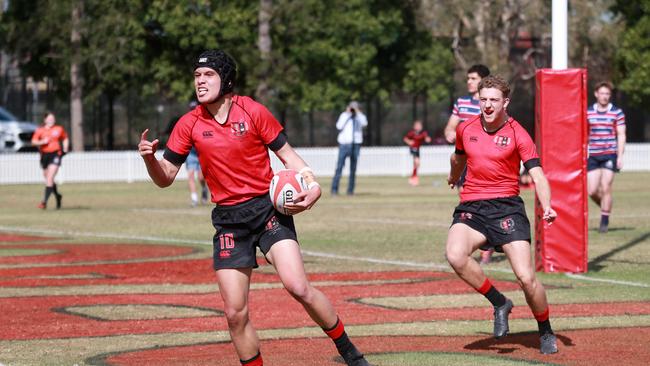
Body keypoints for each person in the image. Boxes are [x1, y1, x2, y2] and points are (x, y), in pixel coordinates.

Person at [138, 50, 370, 366]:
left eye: (208, 75)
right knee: (235, 313)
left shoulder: (253, 111)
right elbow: (165, 178)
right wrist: (150, 159)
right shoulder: (188, 123)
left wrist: (312, 184)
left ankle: (349, 352)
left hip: (267, 211)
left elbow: (288, 156)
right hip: (229, 221)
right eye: (197, 76)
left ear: (227, 79)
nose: (200, 82)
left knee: (298, 286)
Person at [445, 75, 558, 355]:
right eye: (483, 99)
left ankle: (545, 329)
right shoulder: (466, 128)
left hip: (507, 206)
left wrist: (547, 205)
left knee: (526, 278)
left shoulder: (518, 133)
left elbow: (538, 174)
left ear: (505, 102)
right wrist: (453, 176)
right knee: (455, 255)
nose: (487, 105)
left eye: (494, 100)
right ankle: (499, 302)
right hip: (473, 205)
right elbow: (458, 156)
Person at [443, 64, 494, 265]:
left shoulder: (490, 104)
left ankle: (486, 245)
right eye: (468, 78)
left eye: (473, 78)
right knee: (467, 202)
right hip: (465, 162)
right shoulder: (462, 102)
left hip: (486, 163)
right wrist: (449, 133)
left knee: (484, 203)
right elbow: (451, 126)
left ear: (483, 81)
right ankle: (476, 245)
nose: (469, 82)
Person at [587, 81, 626, 233]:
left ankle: (604, 221)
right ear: (596, 94)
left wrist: (620, 156)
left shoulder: (617, 112)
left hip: (610, 154)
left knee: (606, 186)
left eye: (607, 94)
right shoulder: (588, 112)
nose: (604, 96)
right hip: (594, 155)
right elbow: (584, 133)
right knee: (591, 190)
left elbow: (621, 134)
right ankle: (606, 205)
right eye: (602, 93)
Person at [31, 112, 69, 210]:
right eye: (49, 118)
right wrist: (42, 142)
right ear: (45, 120)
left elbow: (65, 138)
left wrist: (65, 148)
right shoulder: (40, 130)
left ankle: (44, 202)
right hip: (44, 156)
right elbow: (33, 142)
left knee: (49, 177)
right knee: (49, 179)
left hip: (56, 154)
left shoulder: (59, 129)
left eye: (53, 118)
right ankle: (57, 196)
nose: (51, 120)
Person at [331, 101, 367, 196]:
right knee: (339, 167)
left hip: (356, 144)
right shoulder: (344, 115)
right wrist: (347, 114)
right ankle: (334, 189)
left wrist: (358, 112)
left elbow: (364, 123)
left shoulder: (360, 116)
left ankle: (350, 191)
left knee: (353, 169)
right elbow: (339, 126)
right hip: (344, 144)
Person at [403, 119, 431, 186]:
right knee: (417, 162)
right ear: (414, 126)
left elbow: (427, 138)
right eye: (417, 125)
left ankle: (413, 177)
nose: (419, 127)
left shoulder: (423, 133)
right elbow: (405, 138)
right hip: (413, 148)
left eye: (420, 125)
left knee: (416, 164)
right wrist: (409, 142)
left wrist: (428, 139)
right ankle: (414, 178)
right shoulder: (412, 133)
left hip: (418, 149)